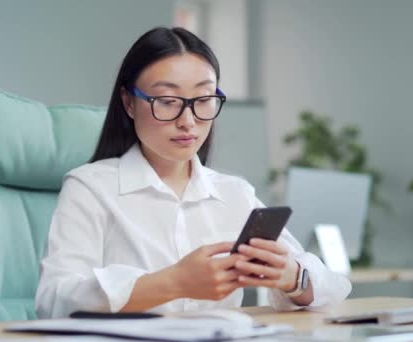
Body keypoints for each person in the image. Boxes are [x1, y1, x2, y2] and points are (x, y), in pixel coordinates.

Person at [35, 27, 351, 318]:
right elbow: (54, 300)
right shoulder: (90, 187)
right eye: (168, 101)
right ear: (129, 103)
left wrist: (293, 277)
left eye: (203, 100)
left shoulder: (234, 193)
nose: (188, 121)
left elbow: (334, 287)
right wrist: (173, 282)